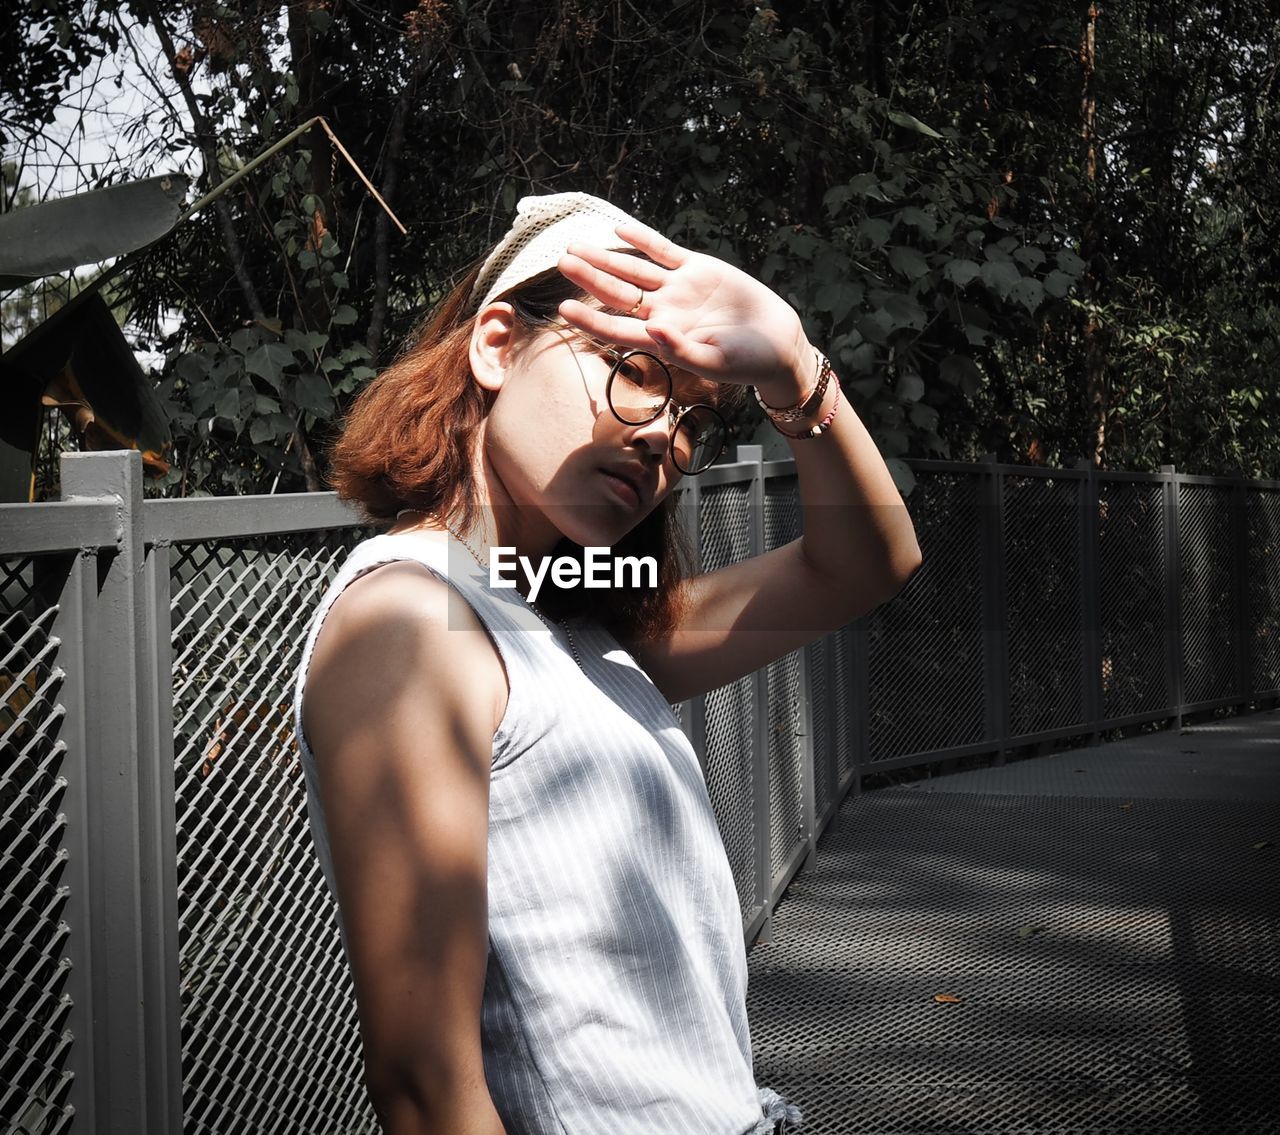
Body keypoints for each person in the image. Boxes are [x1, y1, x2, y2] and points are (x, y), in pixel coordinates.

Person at [295, 192, 922, 1134]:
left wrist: (793, 363)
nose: (661, 436)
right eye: (629, 370)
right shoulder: (414, 622)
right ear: (497, 344)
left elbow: (868, 561)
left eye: (691, 419)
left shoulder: (570, 622)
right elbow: (428, 1092)